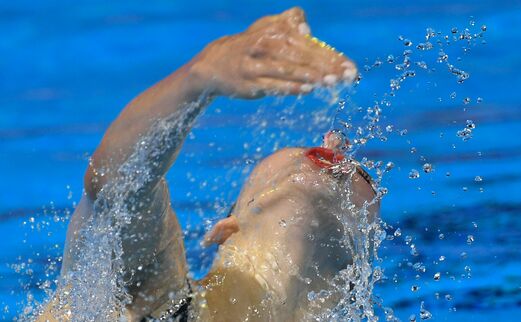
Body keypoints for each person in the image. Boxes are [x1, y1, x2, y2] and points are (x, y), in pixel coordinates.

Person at [37, 7, 378, 322]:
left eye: (364, 173)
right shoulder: (166, 301)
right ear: (225, 231)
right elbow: (115, 188)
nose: (333, 141)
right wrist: (200, 77)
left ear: (343, 291)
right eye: (301, 149)